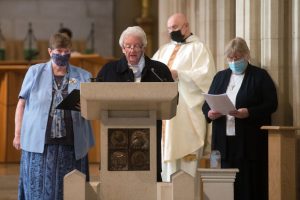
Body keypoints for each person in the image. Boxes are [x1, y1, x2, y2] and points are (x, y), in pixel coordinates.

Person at [13, 33, 95, 200]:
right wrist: (17, 134)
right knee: (39, 190)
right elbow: (21, 104)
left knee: (71, 191)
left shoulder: (83, 75)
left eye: (66, 51)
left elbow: (92, 108)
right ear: (50, 51)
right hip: (40, 144)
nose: (63, 55)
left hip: (72, 144)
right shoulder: (35, 72)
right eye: (59, 50)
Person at [202, 37, 278, 200]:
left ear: (246, 56)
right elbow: (206, 105)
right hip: (223, 143)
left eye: (237, 58)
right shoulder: (220, 77)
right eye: (230, 58)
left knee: (247, 186)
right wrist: (210, 113)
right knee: (223, 187)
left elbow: (272, 104)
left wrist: (248, 112)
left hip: (248, 143)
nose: (233, 62)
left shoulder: (259, 76)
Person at [96, 26, 173, 181]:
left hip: (148, 134)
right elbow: (97, 99)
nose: (132, 50)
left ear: (143, 47)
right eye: (128, 46)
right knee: (118, 177)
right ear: (123, 49)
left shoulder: (158, 70)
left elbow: (172, 98)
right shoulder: (109, 70)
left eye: (137, 46)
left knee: (148, 177)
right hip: (116, 135)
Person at [152, 12, 216, 187]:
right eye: (169, 29)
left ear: (186, 26)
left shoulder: (199, 48)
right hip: (166, 117)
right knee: (166, 164)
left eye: (175, 27)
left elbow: (207, 78)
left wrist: (179, 74)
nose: (171, 32)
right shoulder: (163, 50)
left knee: (186, 168)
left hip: (187, 115)